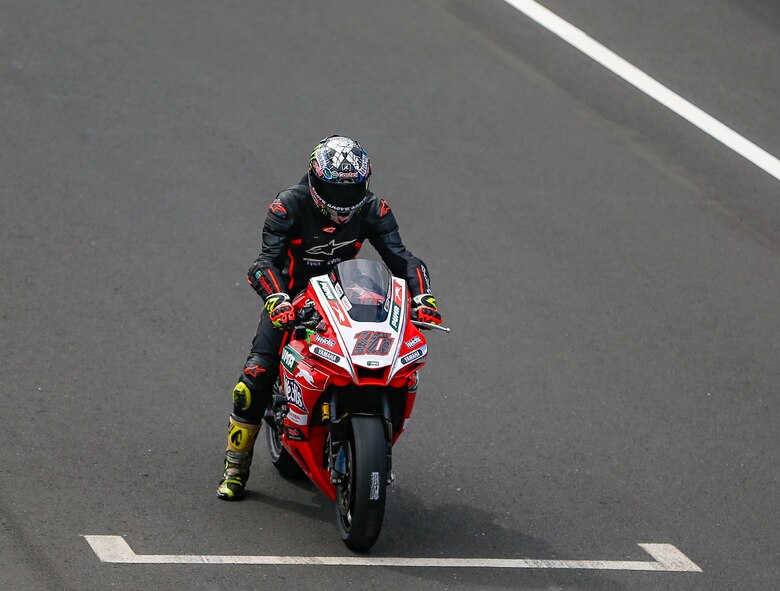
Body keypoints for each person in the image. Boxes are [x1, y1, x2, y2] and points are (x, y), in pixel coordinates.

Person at [217, 135, 442, 500]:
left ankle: (369, 425)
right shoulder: (287, 206)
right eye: (334, 189)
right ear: (314, 179)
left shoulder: (374, 208)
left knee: (384, 354)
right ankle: (236, 465)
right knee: (255, 377)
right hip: (292, 299)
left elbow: (403, 258)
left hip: (344, 294)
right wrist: (276, 300)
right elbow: (263, 263)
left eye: (351, 189)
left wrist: (423, 296)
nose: (342, 200)